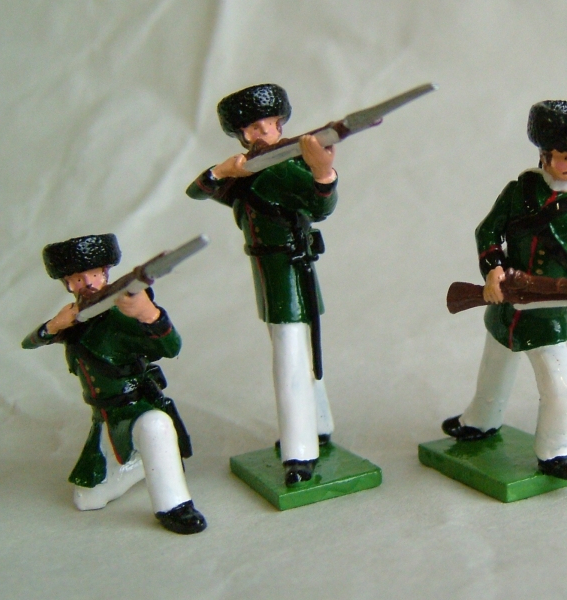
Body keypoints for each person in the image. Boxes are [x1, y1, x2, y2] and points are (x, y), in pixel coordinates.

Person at [443, 100, 567, 479]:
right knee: (494, 367)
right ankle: (480, 420)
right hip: (504, 303)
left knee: (564, 386)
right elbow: (488, 232)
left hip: (544, 313)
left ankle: (555, 451)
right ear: (545, 154)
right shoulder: (519, 192)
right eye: (565, 156)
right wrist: (493, 271)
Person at [186, 84, 338, 486]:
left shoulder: (293, 162)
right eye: (254, 127)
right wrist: (224, 171)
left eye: (270, 124)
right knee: (292, 349)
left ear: (281, 124)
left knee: (291, 356)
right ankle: (319, 423)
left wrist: (323, 172)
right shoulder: (244, 172)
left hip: (291, 264)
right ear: (243, 134)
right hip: (265, 265)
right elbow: (198, 190)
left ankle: (300, 450)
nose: (265, 132)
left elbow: (321, 207)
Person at [22, 234, 206, 534]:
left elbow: (172, 347)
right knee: (87, 499)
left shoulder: (123, 314)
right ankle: (147, 464)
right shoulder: (73, 321)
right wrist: (55, 325)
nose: (88, 283)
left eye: (94, 274)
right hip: (104, 417)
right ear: (68, 284)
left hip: (135, 405)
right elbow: (29, 342)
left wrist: (148, 314)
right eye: (78, 278)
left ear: (106, 274)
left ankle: (174, 505)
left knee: (156, 424)